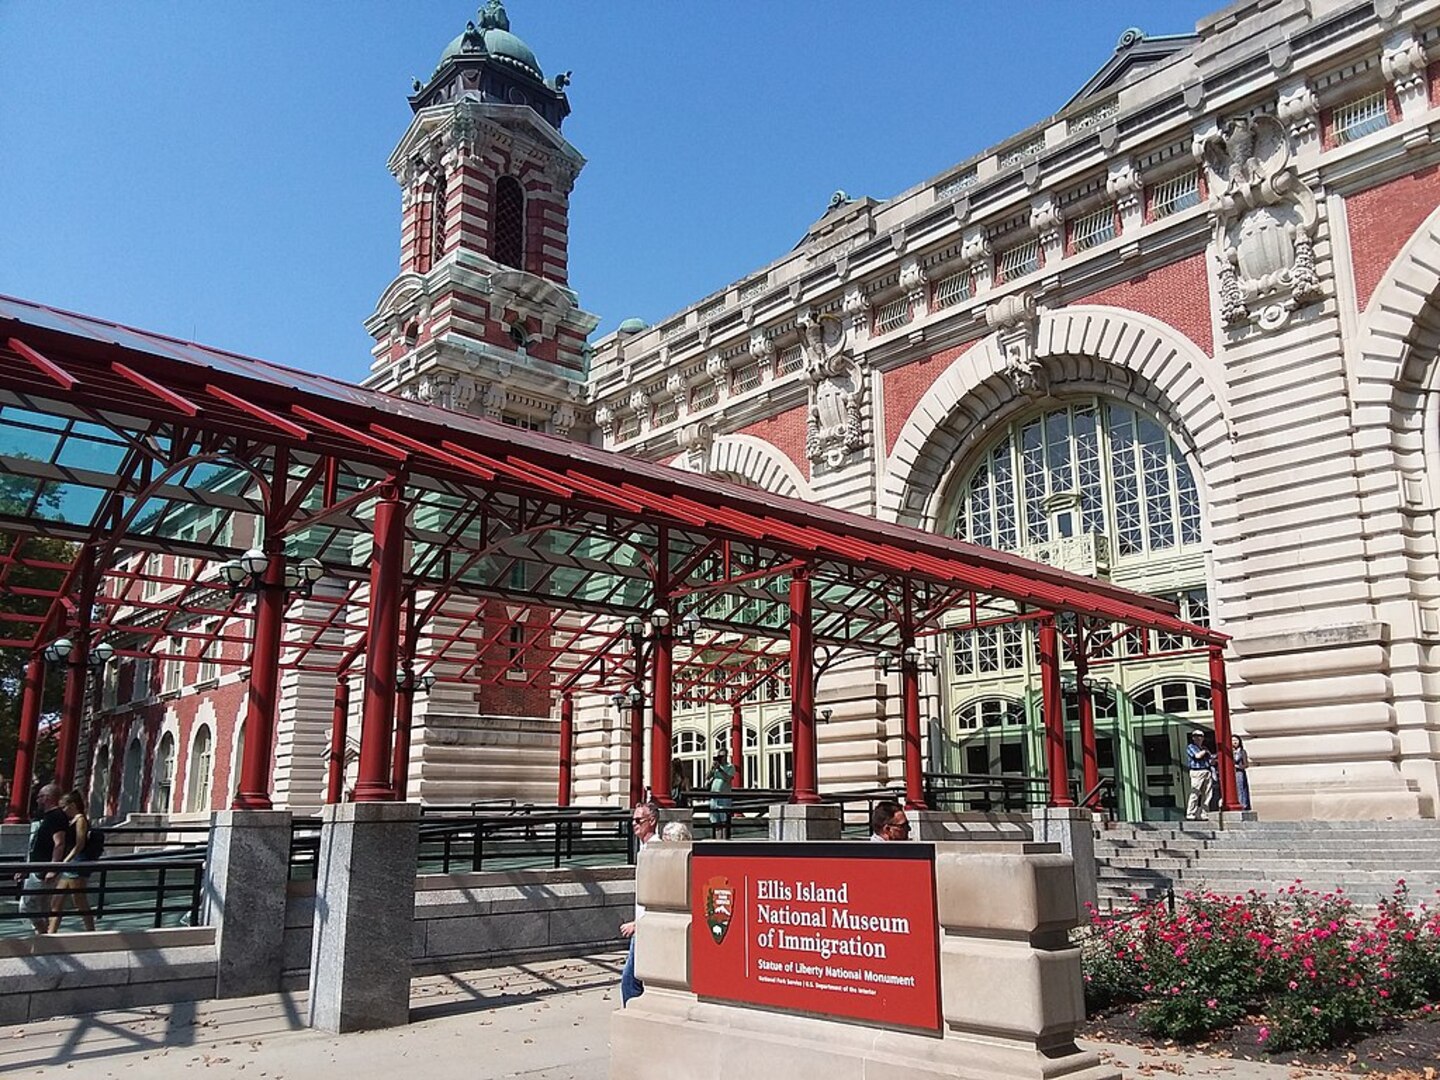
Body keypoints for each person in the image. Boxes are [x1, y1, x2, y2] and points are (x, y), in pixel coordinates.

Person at [620, 801, 659, 1006]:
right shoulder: (644, 849)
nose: (634, 824)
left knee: (629, 981)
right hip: (643, 925)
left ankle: (632, 1018)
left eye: (638, 820)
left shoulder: (655, 851)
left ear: (651, 821)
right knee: (639, 980)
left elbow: (657, 892)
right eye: (633, 820)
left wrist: (638, 924)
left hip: (645, 927)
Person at [17, 784, 68, 934]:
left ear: (48, 798)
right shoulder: (45, 817)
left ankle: (42, 934)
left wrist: (53, 868)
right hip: (36, 867)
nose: (37, 799)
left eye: (40, 796)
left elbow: (59, 843)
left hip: (43, 869)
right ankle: (44, 934)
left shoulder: (57, 817)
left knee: (27, 906)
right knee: (43, 906)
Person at [49, 790, 96, 933]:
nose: (63, 810)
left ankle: (90, 930)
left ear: (73, 805)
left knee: (79, 900)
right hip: (70, 863)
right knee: (57, 900)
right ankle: (51, 932)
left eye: (64, 806)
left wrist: (66, 860)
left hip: (77, 862)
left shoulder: (80, 820)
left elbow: (80, 844)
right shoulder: (72, 820)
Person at [1184, 729, 1214, 821]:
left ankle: (1204, 813)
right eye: (1196, 736)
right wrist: (1205, 752)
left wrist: (1212, 760)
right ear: (1193, 738)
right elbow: (1197, 756)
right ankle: (1190, 813)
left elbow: (1210, 761)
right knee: (1195, 792)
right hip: (1196, 771)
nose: (1198, 738)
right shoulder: (1191, 747)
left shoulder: (1204, 748)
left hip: (1207, 771)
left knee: (1207, 793)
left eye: (1200, 736)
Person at [706, 750, 737, 838]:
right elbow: (707, 777)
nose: (720, 758)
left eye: (722, 756)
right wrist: (712, 769)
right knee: (715, 821)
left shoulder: (730, 767)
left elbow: (728, 779)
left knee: (724, 820)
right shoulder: (715, 768)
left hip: (724, 796)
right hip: (714, 796)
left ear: (726, 756)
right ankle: (717, 839)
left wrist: (720, 769)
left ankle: (724, 839)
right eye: (719, 756)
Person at [1232, 735, 1251, 811]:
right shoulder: (1230, 752)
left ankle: (1243, 804)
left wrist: (1237, 766)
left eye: (1236, 740)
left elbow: (1246, 764)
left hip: (1239, 772)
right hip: (1232, 774)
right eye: (1233, 740)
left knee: (1241, 789)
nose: (1235, 742)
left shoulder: (1242, 751)